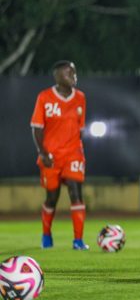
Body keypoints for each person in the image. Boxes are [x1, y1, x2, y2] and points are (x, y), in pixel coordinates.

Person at [30, 60, 89, 250]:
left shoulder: (80, 97)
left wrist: (77, 149)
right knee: (52, 198)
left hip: (73, 153)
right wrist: (43, 152)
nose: (73, 75)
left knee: (76, 193)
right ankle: (46, 235)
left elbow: (80, 129)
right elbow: (37, 127)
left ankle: (78, 241)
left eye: (74, 71)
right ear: (57, 76)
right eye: (68, 72)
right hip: (51, 156)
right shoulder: (45, 97)